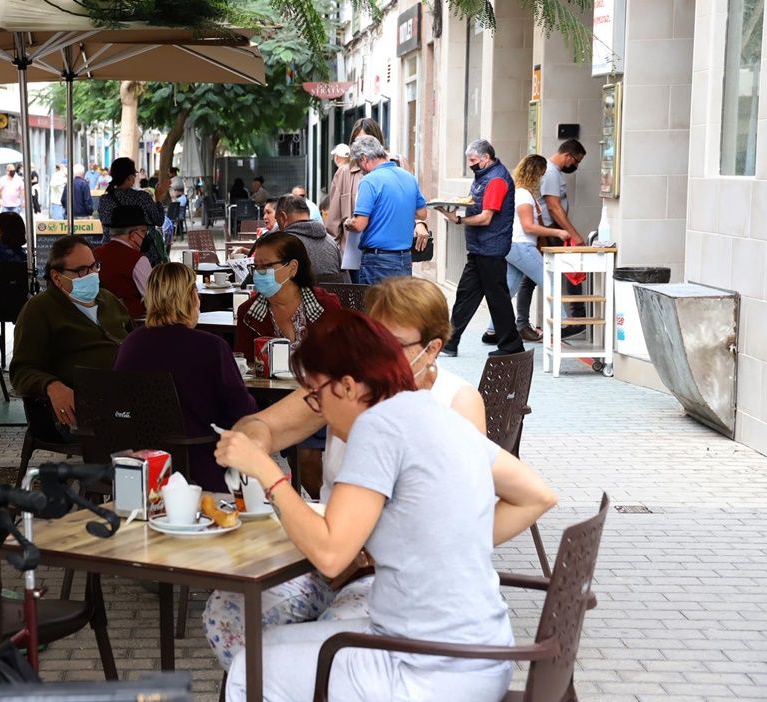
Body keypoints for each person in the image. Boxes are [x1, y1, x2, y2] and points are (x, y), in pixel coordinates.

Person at [215, 310, 557, 701]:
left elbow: (330, 554)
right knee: (270, 648)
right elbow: (537, 493)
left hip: (427, 668)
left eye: (316, 395)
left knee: (249, 668)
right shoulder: (433, 412)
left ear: (346, 386)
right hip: (483, 653)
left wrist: (266, 472)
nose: (320, 411)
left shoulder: (376, 427)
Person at [201, 277, 501, 672]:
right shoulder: (346, 386)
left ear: (431, 349)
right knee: (227, 612)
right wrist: (254, 442)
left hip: (384, 577)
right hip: (318, 557)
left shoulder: (454, 403)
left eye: (390, 344)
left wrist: (392, 551)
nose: (373, 354)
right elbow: (260, 425)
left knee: (333, 644)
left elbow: (473, 518)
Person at [114, 262, 258, 491]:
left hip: (143, 464)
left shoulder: (130, 343)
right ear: (192, 297)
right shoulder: (211, 347)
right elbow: (241, 410)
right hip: (201, 465)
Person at [10, 236, 131, 427]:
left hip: (131, 396)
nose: (91, 275)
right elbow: (21, 371)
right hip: (85, 409)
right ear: (57, 277)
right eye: (82, 270)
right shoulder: (39, 309)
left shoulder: (107, 299)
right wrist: (52, 387)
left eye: (94, 266)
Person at [435, 139, 524, 357]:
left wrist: (458, 221)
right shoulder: (485, 177)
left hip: (490, 247)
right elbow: (478, 205)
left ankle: (511, 345)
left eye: (473, 160)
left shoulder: (496, 180)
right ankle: (450, 342)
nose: (471, 165)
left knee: (496, 297)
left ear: (486, 158)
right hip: (480, 247)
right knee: (467, 294)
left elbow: (485, 218)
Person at [481, 154, 570, 344]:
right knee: (550, 280)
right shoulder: (523, 194)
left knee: (508, 290)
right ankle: (562, 324)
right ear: (535, 174)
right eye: (542, 174)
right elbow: (528, 226)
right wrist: (558, 232)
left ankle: (492, 330)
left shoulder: (519, 193)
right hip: (522, 246)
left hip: (514, 247)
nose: (544, 179)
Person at [233, 231, 341, 357]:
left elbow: (340, 357)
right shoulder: (248, 313)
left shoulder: (326, 305)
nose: (258, 273)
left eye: (267, 266)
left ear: (292, 267)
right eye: (255, 267)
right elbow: (243, 362)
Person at [342, 135, 429, 285]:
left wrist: (348, 222)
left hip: (378, 261)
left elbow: (359, 224)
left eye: (358, 163)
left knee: (375, 307)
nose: (360, 170)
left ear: (364, 158)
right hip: (405, 259)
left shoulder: (369, 181)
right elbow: (422, 213)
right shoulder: (409, 177)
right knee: (399, 307)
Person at [538, 138, 589, 340]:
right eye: (576, 161)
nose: (575, 166)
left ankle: (522, 322)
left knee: (530, 277)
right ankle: (577, 317)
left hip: (551, 228)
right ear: (567, 155)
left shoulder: (551, 171)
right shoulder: (550, 172)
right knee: (571, 265)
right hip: (552, 228)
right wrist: (573, 234)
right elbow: (554, 207)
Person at [325, 118, 383, 281]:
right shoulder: (344, 173)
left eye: (367, 141)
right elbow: (333, 224)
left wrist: (420, 224)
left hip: (388, 256)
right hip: (354, 257)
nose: (361, 148)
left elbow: (412, 204)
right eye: (357, 142)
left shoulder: (394, 166)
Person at [96, 157, 167, 258]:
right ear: (130, 177)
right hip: (140, 253)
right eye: (135, 174)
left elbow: (104, 222)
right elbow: (159, 220)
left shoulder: (104, 199)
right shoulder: (142, 197)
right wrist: (158, 198)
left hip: (111, 253)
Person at [94, 205, 152, 317]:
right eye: (144, 232)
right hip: (129, 325)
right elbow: (153, 298)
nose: (145, 237)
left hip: (98, 321)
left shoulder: (94, 253)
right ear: (134, 235)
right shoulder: (138, 260)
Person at [276, 195, 341, 283]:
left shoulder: (283, 243)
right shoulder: (331, 241)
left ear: (283, 217)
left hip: (300, 295)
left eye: (277, 220)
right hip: (332, 295)